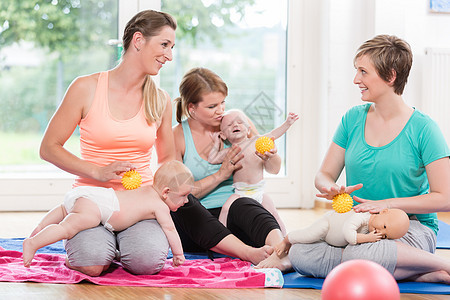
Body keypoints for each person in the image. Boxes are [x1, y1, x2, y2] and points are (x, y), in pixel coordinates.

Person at [260, 34, 450, 282]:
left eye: (363, 72)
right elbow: (324, 174)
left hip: (408, 227)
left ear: (390, 76)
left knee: (358, 254)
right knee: (301, 252)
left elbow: (444, 198)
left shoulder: (425, 129)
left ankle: (440, 263)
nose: (356, 79)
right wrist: (331, 187)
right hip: (357, 225)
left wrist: (388, 204)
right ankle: (421, 273)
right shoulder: (352, 119)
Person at [38, 10, 177, 276]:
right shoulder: (85, 87)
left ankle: (118, 245)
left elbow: (168, 157)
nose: (169, 56)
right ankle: (101, 246)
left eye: (172, 47)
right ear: (138, 40)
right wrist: (96, 171)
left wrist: (162, 196)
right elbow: (49, 147)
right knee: (90, 263)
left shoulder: (160, 99)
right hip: (92, 201)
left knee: (146, 264)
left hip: (138, 204)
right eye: (164, 45)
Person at [172, 67, 289, 268]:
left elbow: (274, 169)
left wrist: (271, 156)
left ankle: (282, 254)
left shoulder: (235, 122)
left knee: (245, 203)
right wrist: (220, 175)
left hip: (238, 216)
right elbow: (176, 193)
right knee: (183, 204)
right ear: (192, 108)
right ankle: (248, 253)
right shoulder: (178, 136)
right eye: (212, 106)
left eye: (222, 103)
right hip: (200, 224)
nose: (220, 110)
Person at [23, 161, 193, 269]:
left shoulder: (147, 190)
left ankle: (39, 227)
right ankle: (34, 242)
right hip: (99, 208)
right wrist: (178, 254)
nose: (186, 201)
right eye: (183, 196)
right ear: (166, 192)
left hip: (93, 195)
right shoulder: (159, 205)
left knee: (64, 210)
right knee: (66, 228)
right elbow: (170, 229)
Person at [208, 109, 299, 235]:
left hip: (258, 191)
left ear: (249, 129)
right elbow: (213, 158)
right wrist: (216, 142)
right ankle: (223, 238)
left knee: (273, 213)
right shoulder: (230, 152)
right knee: (225, 209)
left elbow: (274, 134)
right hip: (240, 192)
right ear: (223, 135)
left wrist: (287, 123)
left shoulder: (257, 142)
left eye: (240, 122)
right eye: (229, 125)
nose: (235, 125)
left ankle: (285, 240)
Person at [274, 208, 410, 256]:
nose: (380, 232)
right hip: (328, 225)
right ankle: (286, 240)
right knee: (310, 234)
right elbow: (347, 233)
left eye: (385, 235)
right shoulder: (363, 216)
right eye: (384, 226)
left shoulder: (372, 230)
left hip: (330, 240)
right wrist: (367, 238)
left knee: (312, 243)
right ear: (383, 212)